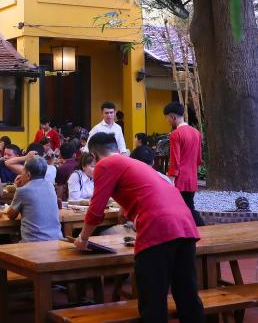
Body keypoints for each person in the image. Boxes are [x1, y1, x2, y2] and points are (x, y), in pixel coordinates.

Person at [75, 132, 203, 323]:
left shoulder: (105, 164)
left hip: (157, 227)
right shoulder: (134, 163)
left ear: (93, 156)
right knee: (187, 296)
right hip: (185, 224)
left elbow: (96, 210)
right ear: (116, 149)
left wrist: (83, 238)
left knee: (153, 300)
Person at [4, 156, 61, 241]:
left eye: (23, 171)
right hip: (56, 240)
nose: (21, 174)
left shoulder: (22, 191)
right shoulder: (50, 186)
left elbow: (11, 215)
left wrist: (18, 188)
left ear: (28, 175)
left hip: (33, 242)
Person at [165, 102, 204, 226]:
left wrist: (170, 180)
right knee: (189, 205)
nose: (167, 121)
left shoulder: (175, 134)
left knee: (181, 209)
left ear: (173, 117)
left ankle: (200, 227)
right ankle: (198, 228)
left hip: (180, 179)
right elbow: (199, 159)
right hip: (192, 177)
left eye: (167, 118)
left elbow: (175, 160)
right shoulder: (196, 133)